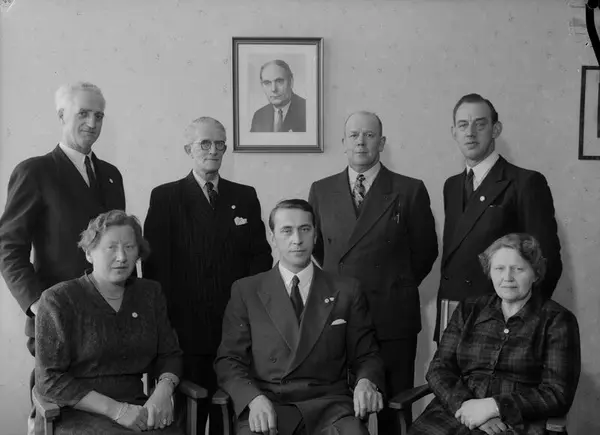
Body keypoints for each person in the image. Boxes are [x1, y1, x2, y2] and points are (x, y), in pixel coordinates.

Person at [0, 81, 125, 432]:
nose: (92, 123)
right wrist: (39, 306)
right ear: (61, 115)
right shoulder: (35, 171)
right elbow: (8, 248)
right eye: (83, 113)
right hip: (59, 322)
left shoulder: (111, 176)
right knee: (57, 413)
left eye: (99, 115)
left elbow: (118, 246)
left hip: (110, 320)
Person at [308, 111, 438, 431]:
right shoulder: (321, 190)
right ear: (344, 142)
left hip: (393, 317)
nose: (361, 142)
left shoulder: (409, 189)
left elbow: (425, 252)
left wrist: (394, 283)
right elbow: (319, 251)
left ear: (381, 142)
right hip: (340, 316)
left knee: (394, 408)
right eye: (354, 135)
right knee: (345, 412)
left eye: (369, 135)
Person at [143, 116, 272, 434]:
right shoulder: (166, 197)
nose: (213, 150)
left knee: (230, 418)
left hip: (236, 330)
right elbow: (155, 268)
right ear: (188, 149)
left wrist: (247, 312)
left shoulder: (244, 196)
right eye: (205, 143)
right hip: (186, 333)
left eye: (220, 144)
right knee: (189, 419)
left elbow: (260, 257)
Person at [215, 199, 385, 435]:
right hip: (268, 404)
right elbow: (229, 360)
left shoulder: (346, 290)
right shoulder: (246, 290)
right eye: (287, 230)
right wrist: (253, 399)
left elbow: (367, 355)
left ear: (315, 235)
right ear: (273, 237)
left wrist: (366, 381)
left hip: (330, 407)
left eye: (305, 229)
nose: (297, 239)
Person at [409, 233, 580, 435]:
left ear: (535, 274)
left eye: (518, 269)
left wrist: (494, 407)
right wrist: (466, 406)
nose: (507, 277)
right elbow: (439, 368)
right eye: (499, 268)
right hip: (458, 411)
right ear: (489, 272)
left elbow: (557, 393)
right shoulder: (469, 309)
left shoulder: (557, 320)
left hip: (518, 420)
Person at [34, 210, 183, 434]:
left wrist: (162, 392)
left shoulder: (149, 294)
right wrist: (116, 410)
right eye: (111, 247)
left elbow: (170, 354)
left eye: (129, 247)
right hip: (76, 412)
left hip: (138, 408)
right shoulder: (58, 300)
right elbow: (48, 379)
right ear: (89, 253)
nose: (122, 257)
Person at [436, 93, 562, 341]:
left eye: (480, 124)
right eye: (463, 125)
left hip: (501, 322)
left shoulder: (525, 183)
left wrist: (521, 321)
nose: (470, 133)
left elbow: (546, 262)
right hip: (453, 315)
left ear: (496, 129)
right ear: (454, 132)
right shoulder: (451, 186)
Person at [250, 59, 306, 132]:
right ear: (262, 85)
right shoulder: (259, 116)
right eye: (267, 83)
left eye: (279, 81)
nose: (273, 89)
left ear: (291, 82)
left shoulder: (308, 110)